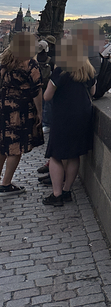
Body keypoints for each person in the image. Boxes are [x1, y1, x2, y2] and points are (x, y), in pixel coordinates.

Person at [42, 36, 96, 206]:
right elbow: (93, 92)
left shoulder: (61, 70)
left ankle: (56, 195)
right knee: (73, 155)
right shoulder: (88, 70)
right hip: (83, 116)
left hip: (64, 116)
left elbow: (47, 96)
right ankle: (66, 191)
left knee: (56, 155)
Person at [0, 33, 44, 196]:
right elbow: (36, 91)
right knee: (15, 147)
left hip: (3, 107)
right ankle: (5, 184)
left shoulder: (5, 61)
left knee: (2, 145)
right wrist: (40, 112)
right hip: (21, 110)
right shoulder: (30, 63)